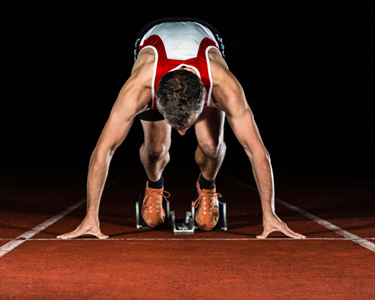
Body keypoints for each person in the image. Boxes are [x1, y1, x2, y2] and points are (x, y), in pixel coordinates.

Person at [57, 18, 305, 240]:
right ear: (156, 102)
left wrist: (270, 214)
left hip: (203, 44)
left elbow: (256, 150)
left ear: (206, 102)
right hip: (154, 43)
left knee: (211, 145)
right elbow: (104, 150)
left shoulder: (223, 86)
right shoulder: (139, 88)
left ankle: (207, 188)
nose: (182, 134)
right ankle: (154, 187)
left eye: (186, 126)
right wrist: (90, 216)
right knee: (157, 149)